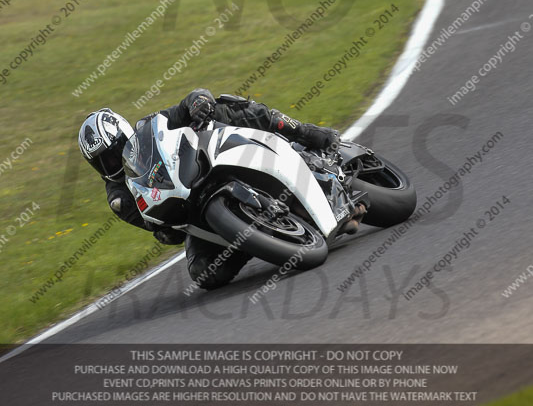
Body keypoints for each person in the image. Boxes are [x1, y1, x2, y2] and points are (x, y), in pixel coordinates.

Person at [78, 89, 364, 290]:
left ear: (124, 135)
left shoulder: (148, 130)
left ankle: (303, 133)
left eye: (113, 152)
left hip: (208, 163)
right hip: (197, 218)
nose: (111, 162)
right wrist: (162, 229)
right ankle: (256, 237)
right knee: (204, 275)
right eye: (102, 160)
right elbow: (158, 229)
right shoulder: (118, 198)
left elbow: (184, 105)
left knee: (225, 105)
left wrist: (198, 102)